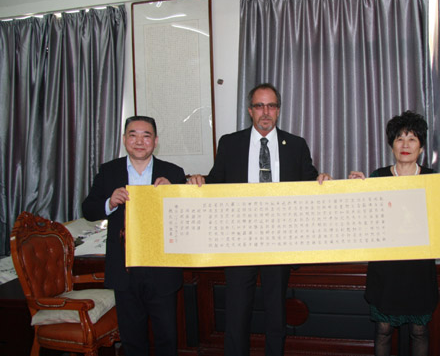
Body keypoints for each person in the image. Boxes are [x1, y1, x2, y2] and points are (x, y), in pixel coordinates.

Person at [188, 83, 331, 356]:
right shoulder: (230, 143)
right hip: (239, 241)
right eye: (259, 106)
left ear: (278, 110)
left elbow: (310, 182)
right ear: (250, 110)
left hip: (279, 240)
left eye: (271, 106)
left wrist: (322, 179)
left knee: (276, 313)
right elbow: (216, 183)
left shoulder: (296, 145)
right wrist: (199, 181)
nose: (266, 112)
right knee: (237, 312)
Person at [348, 110, 440, 356]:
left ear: (421, 147)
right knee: (383, 330)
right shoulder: (378, 177)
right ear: (392, 146)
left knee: (419, 331)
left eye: (412, 139)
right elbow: (363, 222)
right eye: (399, 139)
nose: (405, 145)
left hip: (419, 270)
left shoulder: (434, 179)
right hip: (386, 271)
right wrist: (356, 192)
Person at [82, 116, 188, 356]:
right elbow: (88, 209)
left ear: (155, 141)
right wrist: (110, 202)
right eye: (133, 135)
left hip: (161, 268)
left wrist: (174, 195)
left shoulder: (172, 172)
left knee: (167, 337)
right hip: (125, 269)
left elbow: (187, 219)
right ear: (124, 139)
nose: (139, 141)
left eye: (146, 136)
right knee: (132, 340)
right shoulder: (109, 171)